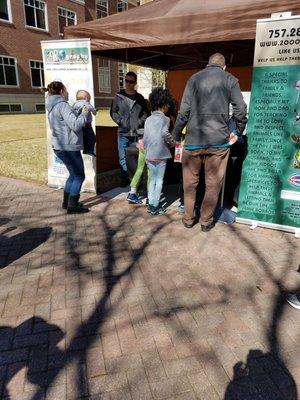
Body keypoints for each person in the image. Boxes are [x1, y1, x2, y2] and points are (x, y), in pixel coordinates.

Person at [172, 53, 247, 231]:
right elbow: (241, 110)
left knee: (190, 184)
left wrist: (176, 134)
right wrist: (237, 131)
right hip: (218, 142)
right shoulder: (230, 79)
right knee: (213, 184)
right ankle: (206, 222)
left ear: (207, 64)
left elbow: (183, 112)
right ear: (224, 67)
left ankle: (188, 219)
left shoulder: (193, 79)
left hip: (193, 140)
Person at [44, 81, 89, 213]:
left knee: (73, 175)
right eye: (66, 90)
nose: (68, 93)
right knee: (79, 176)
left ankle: (67, 202)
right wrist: (84, 114)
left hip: (59, 146)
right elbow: (75, 125)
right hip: (68, 147)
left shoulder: (52, 106)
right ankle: (72, 205)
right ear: (62, 91)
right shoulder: (62, 105)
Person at [110, 71, 149, 187]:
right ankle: (125, 179)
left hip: (137, 134)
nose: (128, 84)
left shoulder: (140, 98)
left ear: (135, 83)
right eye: (126, 81)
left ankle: (135, 181)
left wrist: (139, 122)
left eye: (131, 82)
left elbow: (146, 113)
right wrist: (120, 121)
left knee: (136, 159)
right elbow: (113, 112)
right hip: (123, 133)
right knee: (122, 158)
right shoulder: (118, 97)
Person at [143, 87, 176, 215]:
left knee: (152, 180)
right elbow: (165, 133)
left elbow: (145, 138)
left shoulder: (148, 119)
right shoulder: (166, 119)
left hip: (149, 154)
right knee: (159, 180)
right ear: (164, 104)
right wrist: (173, 142)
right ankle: (156, 205)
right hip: (161, 154)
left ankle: (151, 203)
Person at [73, 89, 97, 156]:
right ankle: (88, 150)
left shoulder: (74, 104)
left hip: (79, 125)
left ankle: (85, 149)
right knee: (92, 138)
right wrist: (94, 111)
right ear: (86, 98)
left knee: (84, 138)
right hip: (87, 125)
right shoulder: (85, 103)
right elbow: (91, 108)